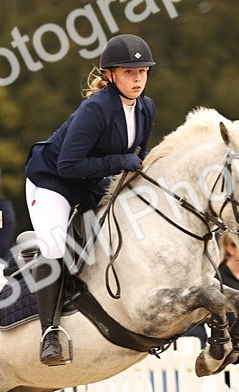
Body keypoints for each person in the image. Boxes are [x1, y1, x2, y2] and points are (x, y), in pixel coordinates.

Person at [24, 33, 156, 365]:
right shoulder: (96, 109)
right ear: (110, 75)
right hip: (52, 183)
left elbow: (137, 156)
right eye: (129, 72)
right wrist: (116, 163)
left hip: (91, 183)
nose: (137, 79)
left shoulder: (145, 108)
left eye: (142, 71)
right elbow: (69, 165)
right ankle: (49, 334)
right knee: (54, 246)